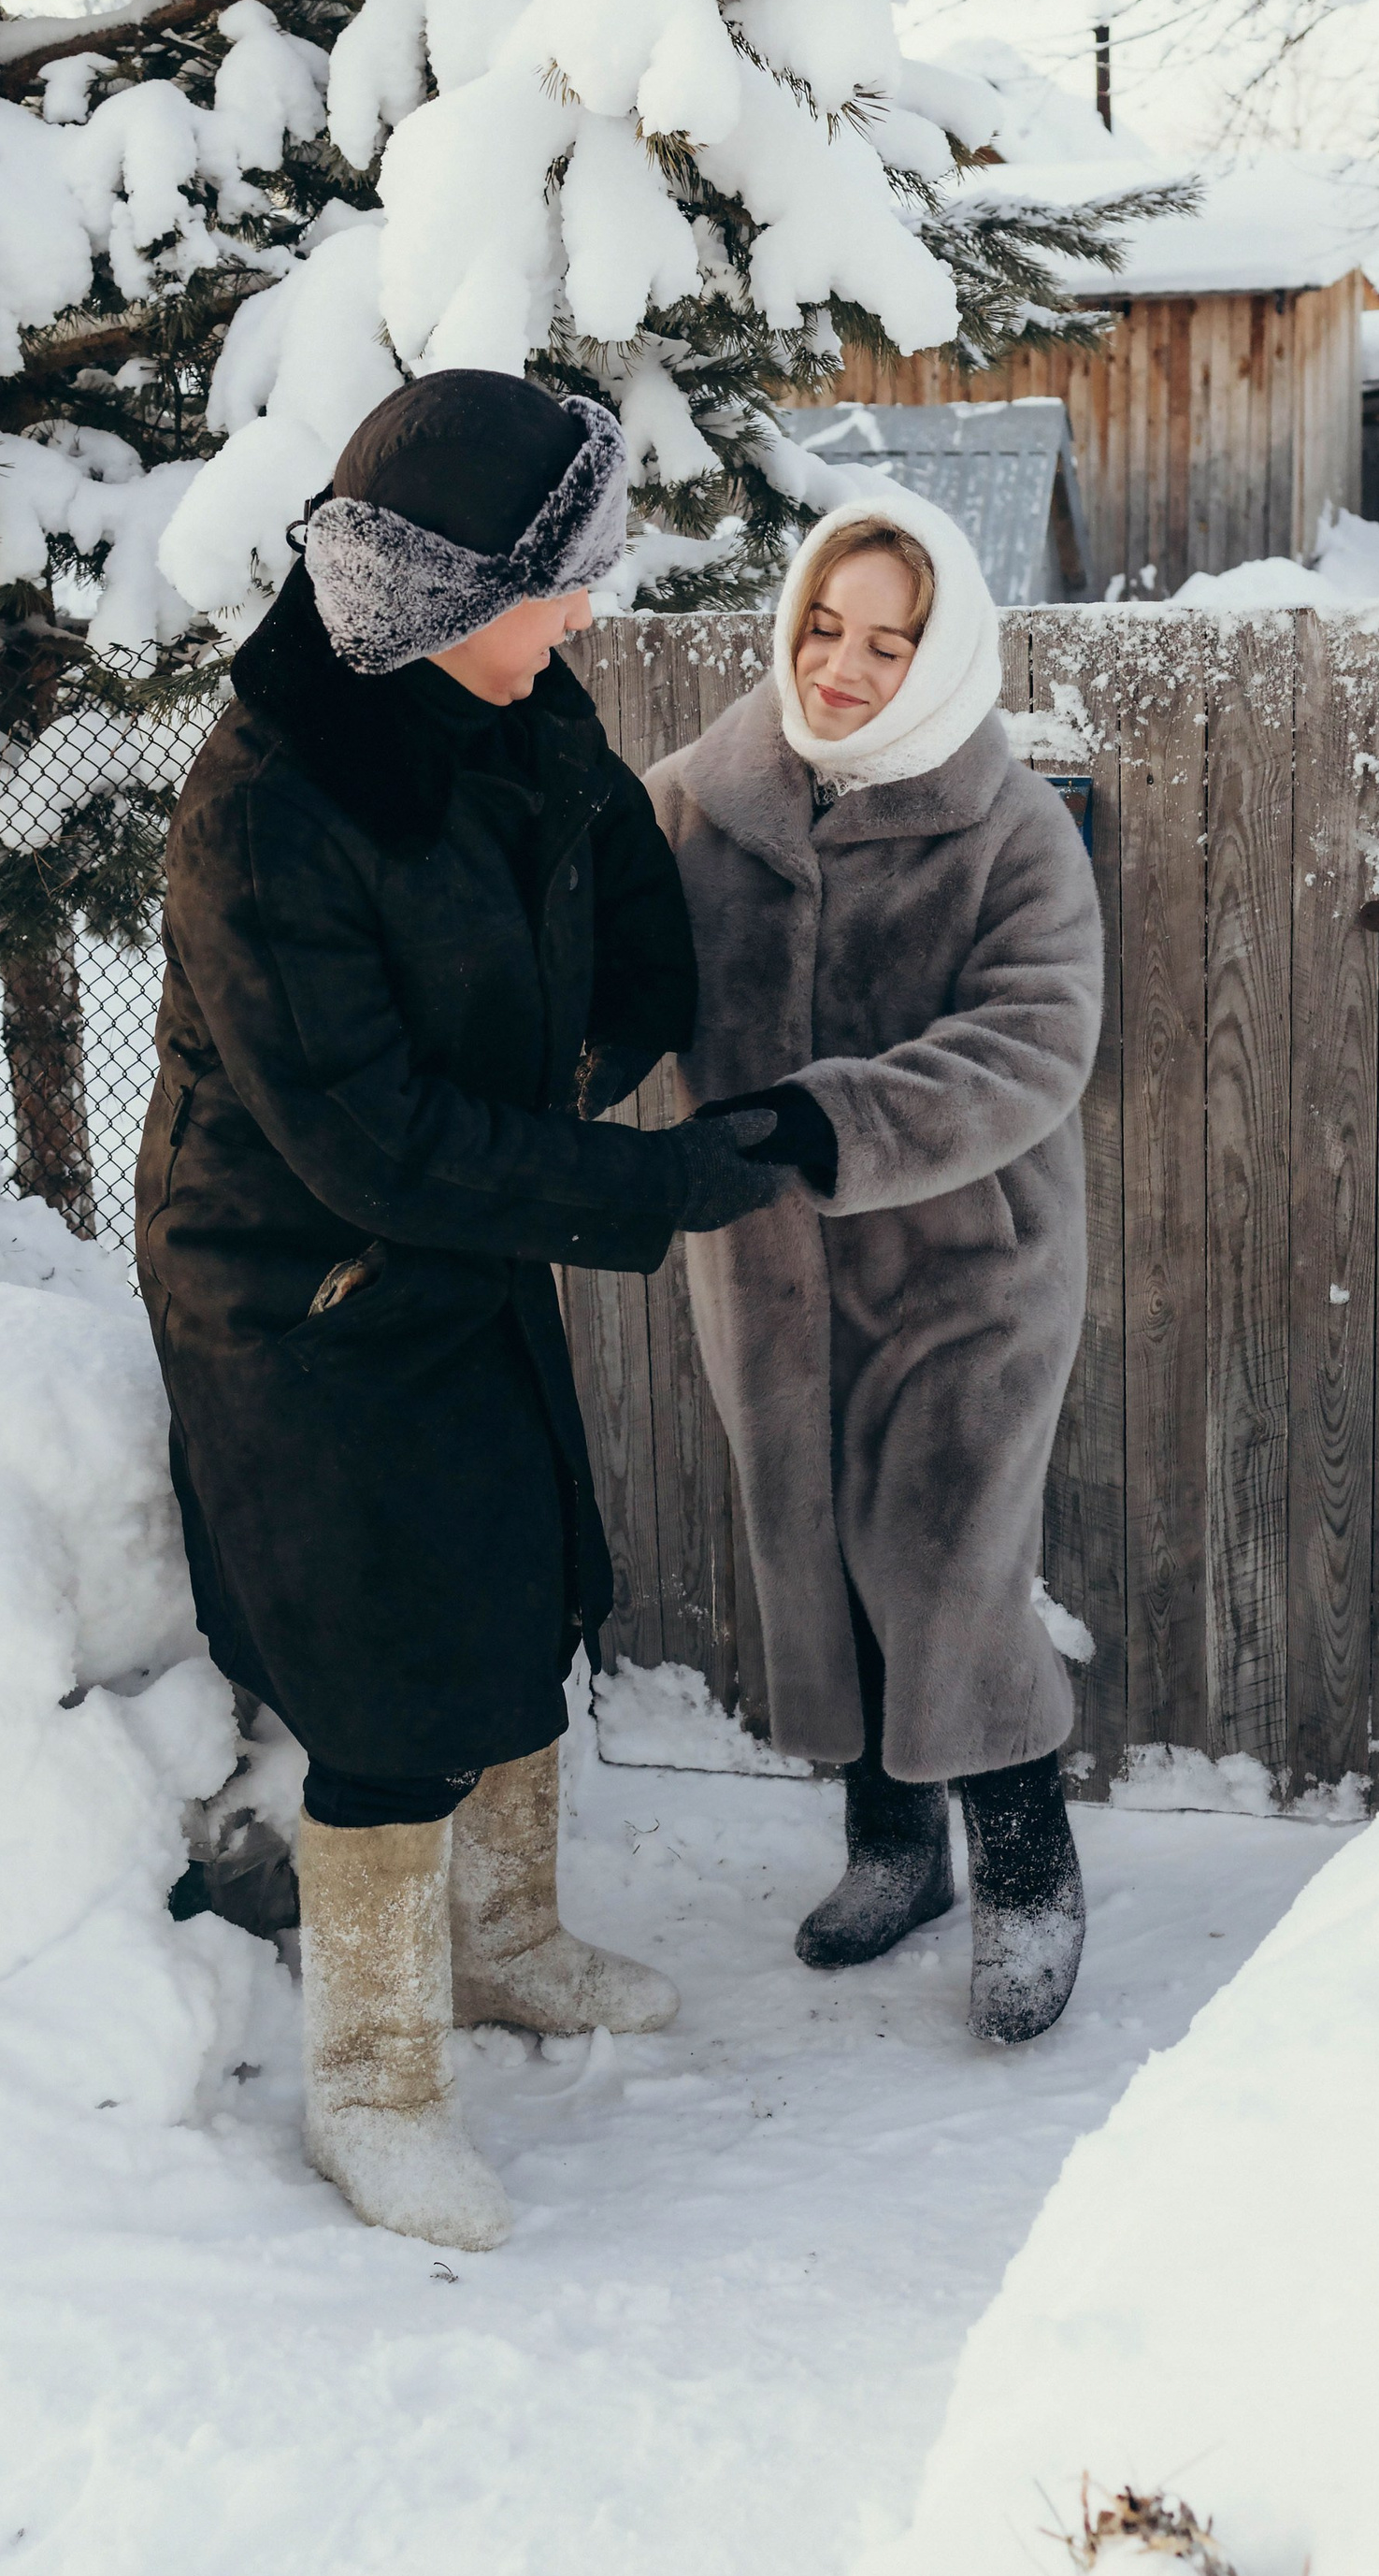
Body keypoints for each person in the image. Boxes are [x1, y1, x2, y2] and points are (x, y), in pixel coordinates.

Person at [136, 371, 792, 2252]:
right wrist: (653, 1182)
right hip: (305, 1285)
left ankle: (503, 1943)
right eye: (560, 582)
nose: (588, 613)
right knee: (386, 1675)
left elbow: (606, 880)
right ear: (447, 594)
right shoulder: (267, 807)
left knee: (519, 1584)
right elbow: (371, 1143)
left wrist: (645, 1026)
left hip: (463, 1234)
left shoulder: (503, 698)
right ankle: (373, 2079)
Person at [644, 489, 1104, 2043]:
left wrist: (816, 1119)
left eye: (887, 641)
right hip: (769, 1276)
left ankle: (1029, 1863)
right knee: (819, 1556)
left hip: (971, 1268)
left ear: (945, 650)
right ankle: (894, 1849)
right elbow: (598, 966)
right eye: (823, 627)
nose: (840, 666)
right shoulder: (700, 801)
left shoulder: (1011, 824)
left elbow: (1034, 1044)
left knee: (950, 1560)